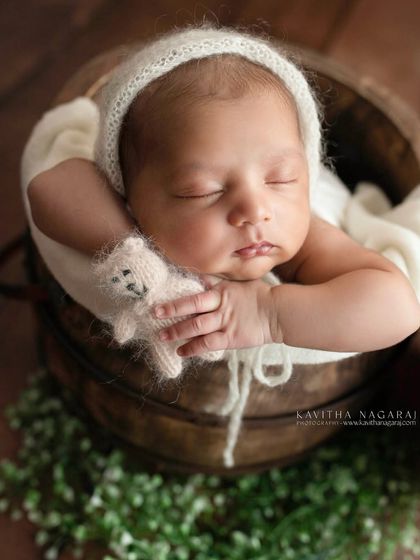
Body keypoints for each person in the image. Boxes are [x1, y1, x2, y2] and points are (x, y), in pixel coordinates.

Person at [26, 25, 420, 360]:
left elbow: (398, 308)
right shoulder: (127, 216)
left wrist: (268, 314)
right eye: (203, 191)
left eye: (281, 178)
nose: (255, 209)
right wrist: (134, 248)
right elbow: (49, 188)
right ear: (129, 195)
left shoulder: (300, 237)